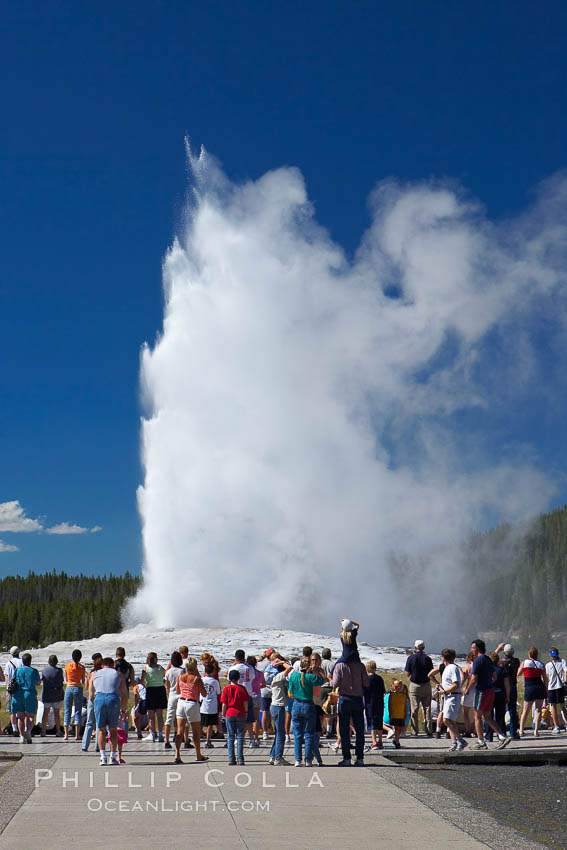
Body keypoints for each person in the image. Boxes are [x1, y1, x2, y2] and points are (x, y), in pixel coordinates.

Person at [463, 638, 511, 749]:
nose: (471, 650)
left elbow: (474, 678)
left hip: (481, 691)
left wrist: (467, 689)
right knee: (488, 717)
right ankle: (502, 736)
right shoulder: (488, 659)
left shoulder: (477, 661)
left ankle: (481, 742)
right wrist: (489, 681)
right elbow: (494, 676)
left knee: (477, 717)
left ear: (477, 649)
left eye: (472, 648)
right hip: (490, 691)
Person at [331, 653, 369, 766]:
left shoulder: (340, 666)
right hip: (357, 698)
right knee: (359, 730)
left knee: (344, 729)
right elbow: (366, 682)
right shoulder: (361, 666)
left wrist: (330, 680)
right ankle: (360, 758)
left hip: (345, 698)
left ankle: (346, 758)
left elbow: (335, 683)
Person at [89, 657, 128, 766]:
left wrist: (95, 702)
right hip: (113, 698)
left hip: (99, 698)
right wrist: (123, 708)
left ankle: (102, 757)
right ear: (113, 664)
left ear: (102, 665)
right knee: (113, 729)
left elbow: (91, 694)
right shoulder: (118, 674)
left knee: (101, 729)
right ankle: (112, 756)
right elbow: (124, 693)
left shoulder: (94, 674)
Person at [288, 657, 324, 767]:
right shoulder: (311, 677)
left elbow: (290, 691)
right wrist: (317, 672)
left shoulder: (293, 677)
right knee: (309, 734)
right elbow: (322, 681)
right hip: (308, 704)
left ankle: (297, 759)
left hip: (297, 704)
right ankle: (308, 760)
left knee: (297, 735)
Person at [174, 657, 208, 765]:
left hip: (181, 702)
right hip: (192, 703)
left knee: (180, 731)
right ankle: (198, 754)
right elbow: (204, 693)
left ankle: (177, 754)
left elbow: (178, 691)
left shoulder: (180, 677)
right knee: (195, 731)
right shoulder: (196, 679)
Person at [438, 649, 467, 752]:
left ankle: (460, 740)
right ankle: (455, 742)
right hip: (448, 696)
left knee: (446, 720)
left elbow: (456, 684)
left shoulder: (452, 668)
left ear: (443, 658)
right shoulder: (447, 668)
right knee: (449, 721)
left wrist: (445, 691)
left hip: (452, 696)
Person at [404, 640, 434, 736]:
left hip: (415, 685)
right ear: (423, 647)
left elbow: (407, 674)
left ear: (415, 647)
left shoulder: (411, 658)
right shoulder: (428, 659)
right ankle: (429, 730)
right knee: (427, 708)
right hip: (426, 684)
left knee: (414, 709)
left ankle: (414, 731)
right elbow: (431, 673)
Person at [221, 669, 249, 766]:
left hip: (229, 712)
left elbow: (224, 704)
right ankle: (240, 758)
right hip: (240, 713)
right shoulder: (242, 688)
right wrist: (246, 711)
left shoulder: (226, 689)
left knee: (230, 736)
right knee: (240, 736)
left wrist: (223, 713)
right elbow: (245, 702)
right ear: (238, 678)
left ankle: (231, 758)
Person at [267, 657, 292, 766]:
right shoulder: (279, 676)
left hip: (276, 706)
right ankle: (278, 757)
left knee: (278, 733)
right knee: (281, 734)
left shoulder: (277, 678)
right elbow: (290, 668)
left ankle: (273, 755)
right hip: (278, 707)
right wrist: (282, 662)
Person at [518, 647, 548, 737]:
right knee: (538, 710)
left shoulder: (525, 663)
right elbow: (545, 679)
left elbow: (518, 673)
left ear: (529, 654)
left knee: (525, 711)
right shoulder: (541, 664)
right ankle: (536, 731)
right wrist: (546, 690)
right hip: (539, 687)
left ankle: (521, 730)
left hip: (530, 687)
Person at [227, 650, 255, 743]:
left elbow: (229, 679)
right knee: (249, 719)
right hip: (247, 693)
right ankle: (251, 739)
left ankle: (238, 738)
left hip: (235, 694)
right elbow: (252, 678)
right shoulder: (250, 667)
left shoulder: (233, 668)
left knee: (237, 718)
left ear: (235, 657)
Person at [12, 653, 40, 743]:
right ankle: (28, 731)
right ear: (30, 661)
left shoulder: (17, 670)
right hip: (30, 694)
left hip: (18, 695)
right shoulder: (33, 671)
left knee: (20, 717)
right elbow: (38, 683)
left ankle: (21, 736)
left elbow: (13, 680)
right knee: (30, 716)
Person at [141, 652, 166, 742]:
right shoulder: (160, 668)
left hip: (151, 690)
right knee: (160, 714)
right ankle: (160, 734)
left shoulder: (146, 668)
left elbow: (142, 681)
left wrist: (147, 685)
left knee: (151, 715)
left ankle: (152, 733)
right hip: (160, 690)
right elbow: (165, 676)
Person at [485, 652, 510, 743]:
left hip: (490, 694)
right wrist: (508, 696)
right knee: (500, 717)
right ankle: (502, 735)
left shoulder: (488, 671)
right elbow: (507, 684)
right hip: (501, 694)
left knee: (489, 716)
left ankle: (488, 736)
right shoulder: (502, 670)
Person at [497, 643, 520, 738]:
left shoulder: (500, 662)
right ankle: (513, 732)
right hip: (513, 685)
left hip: (503, 686)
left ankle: (502, 732)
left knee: (502, 710)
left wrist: (497, 650)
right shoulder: (516, 661)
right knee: (512, 709)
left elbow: (491, 660)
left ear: (504, 652)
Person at [64, 649, 86, 741]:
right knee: (78, 710)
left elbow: (66, 679)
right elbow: (83, 680)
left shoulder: (67, 666)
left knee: (67, 710)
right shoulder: (82, 667)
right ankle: (77, 735)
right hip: (78, 687)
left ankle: (66, 735)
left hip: (69, 687)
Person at [82, 653, 103, 751]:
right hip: (98, 697)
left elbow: (86, 687)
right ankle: (97, 746)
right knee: (98, 723)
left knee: (90, 722)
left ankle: (85, 745)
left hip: (92, 698)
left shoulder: (92, 673)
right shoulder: (102, 672)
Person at [40, 655, 64, 737]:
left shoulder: (44, 670)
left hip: (47, 694)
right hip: (57, 694)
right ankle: (58, 730)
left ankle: (43, 731)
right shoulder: (59, 671)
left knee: (45, 713)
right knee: (56, 713)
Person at [164, 651, 184, 750]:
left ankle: (166, 740)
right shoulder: (182, 671)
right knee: (181, 716)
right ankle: (183, 736)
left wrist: (170, 690)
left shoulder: (168, 672)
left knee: (169, 717)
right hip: (181, 694)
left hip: (172, 694)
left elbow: (167, 685)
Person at [364, 660, 385, 750]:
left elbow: (364, 691)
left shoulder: (367, 679)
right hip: (379, 702)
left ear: (367, 669)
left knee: (372, 722)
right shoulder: (380, 678)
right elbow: (383, 690)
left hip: (370, 703)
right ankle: (380, 741)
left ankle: (374, 742)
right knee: (379, 721)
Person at [545, 647, 566, 733]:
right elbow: (566, 671)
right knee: (562, 706)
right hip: (560, 686)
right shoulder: (562, 661)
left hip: (551, 687)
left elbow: (547, 677)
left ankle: (556, 726)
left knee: (553, 707)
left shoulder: (548, 665)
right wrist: (565, 681)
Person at [384, 680, 410, 749]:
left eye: (400, 686)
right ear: (393, 687)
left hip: (401, 714)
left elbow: (405, 706)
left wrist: (405, 714)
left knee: (399, 728)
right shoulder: (391, 695)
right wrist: (390, 713)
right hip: (394, 714)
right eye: (396, 686)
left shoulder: (404, 696)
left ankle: (396, 740)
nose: (398, 687)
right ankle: (397, 740)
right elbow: (389, 705)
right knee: (396, 728)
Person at [201, 662, 221, 748]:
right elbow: (218, 692)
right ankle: (208, 741)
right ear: (212, 672)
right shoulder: (215, 681)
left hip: (203, 704)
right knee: (210, 724)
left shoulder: (202, 680)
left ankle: (199, 736)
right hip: (212, 705)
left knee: (201, 722)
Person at [4, 646, 23, 736]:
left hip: (12, 689)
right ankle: (21, 729)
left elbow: (7, 677)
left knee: (12, 710)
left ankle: (14, 728)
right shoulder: (22, 662)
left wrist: (7, 688)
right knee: (20, 710)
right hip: (21, 688)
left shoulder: (9, 663)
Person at [247, 655, 265, 746]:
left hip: (249, 695)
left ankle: (246, 736)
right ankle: (257, 737)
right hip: (257, 695)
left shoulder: (248, 673)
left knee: (247, 717)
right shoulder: (260, 673)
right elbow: (264, 684)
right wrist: (258, 686)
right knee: (256, 718)